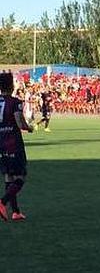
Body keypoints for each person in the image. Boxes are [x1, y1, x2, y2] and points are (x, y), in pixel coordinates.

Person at [0, 71, 34, 221]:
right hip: (13, 143)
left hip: (1, 143)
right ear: (11, 85)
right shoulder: (15, 102)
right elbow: (20, 123)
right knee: (20, 177)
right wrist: (29, 127)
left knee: (8, 177)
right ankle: (2, 202)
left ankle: (15, 212)